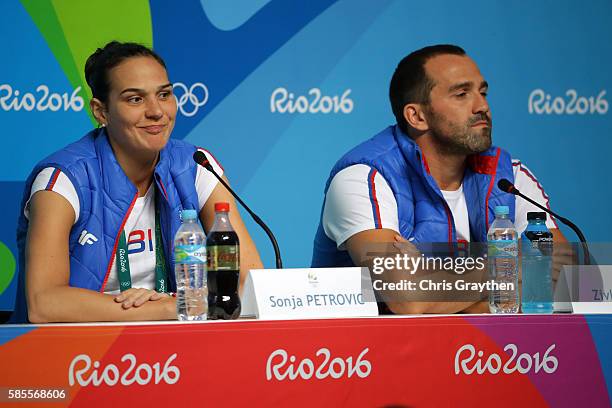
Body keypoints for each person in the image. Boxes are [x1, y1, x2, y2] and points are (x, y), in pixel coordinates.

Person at [12, 41, 263, 323]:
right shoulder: (63, 179)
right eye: (135, 99)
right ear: (101, 111)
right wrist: (169, 307)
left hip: (174, 346)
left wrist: (177, 304)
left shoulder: (194, 165)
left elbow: (250, 279)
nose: (156, 111)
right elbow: (43, 303)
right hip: (75, 353)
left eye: (164, 94)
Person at [311, 44, 570, 314]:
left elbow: (562, 278)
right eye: (462, 94)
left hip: (488, 351)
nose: (482, 106)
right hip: (368, 353)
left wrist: (430, 275)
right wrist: (510, 265)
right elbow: (407, 300)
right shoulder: (364, 177)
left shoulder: (510, 177)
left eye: (483, 92)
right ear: (417, 116)